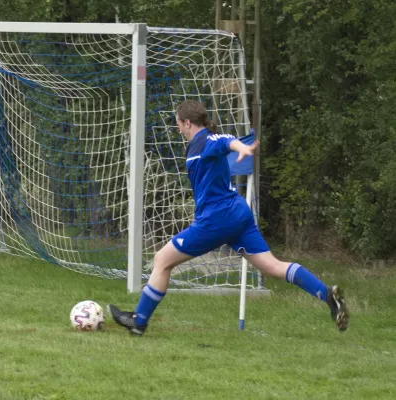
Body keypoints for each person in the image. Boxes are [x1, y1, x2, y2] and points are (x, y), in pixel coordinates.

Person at [108, 100, 349, 335]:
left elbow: (225, 141)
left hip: (217, 220)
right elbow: (222, 142)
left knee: (162, 261)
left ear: (188, 122)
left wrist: (240, 147)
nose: (178, 128)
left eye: (178, 123)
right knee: (273, 266)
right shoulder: (201, 142)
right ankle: (327, 295)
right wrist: (237, 147)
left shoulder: (204, 140)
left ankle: (139, 322)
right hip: (237, 214)